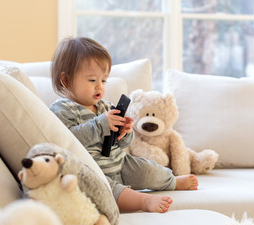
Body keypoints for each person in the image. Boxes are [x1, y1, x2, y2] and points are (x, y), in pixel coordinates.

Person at [49, 37, 198, 213]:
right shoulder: (63, 108)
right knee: (105, 190)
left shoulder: (104, 106)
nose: (99, 87)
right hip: (93, 171)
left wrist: (125, 133)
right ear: (66, 80)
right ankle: (143, 201)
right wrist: (101, 124)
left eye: (104, 80)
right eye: (92, 80)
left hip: (120, 162)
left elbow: (121, 144)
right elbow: (68, 141)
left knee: (148, 170)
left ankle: (172, 181)